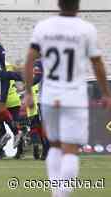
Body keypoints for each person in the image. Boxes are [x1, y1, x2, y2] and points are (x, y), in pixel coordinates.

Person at [23, 0, 111, 196]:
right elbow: (97, 64)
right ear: (78, 5)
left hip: (49, 96)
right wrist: (106, 93)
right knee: (70, 149)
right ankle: (62, 194)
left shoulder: (43, 27)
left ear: (58, 4)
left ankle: (57, 192)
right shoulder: (86, 29)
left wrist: (28, 92)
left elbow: (29, 61)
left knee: (54, 145)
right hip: (74, 98)